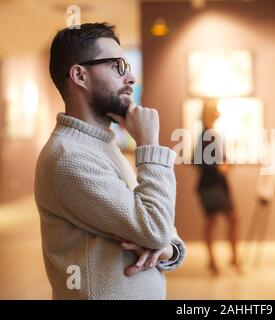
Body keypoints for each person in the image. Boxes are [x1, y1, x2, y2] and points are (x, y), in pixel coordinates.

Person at [34, 22, 185, 299]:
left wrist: (169, 248)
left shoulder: (99, 144)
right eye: (118, 66)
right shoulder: (69, 157)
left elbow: (159, 227)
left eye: (127, 66)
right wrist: (149, 145)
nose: (130, 78)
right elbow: (154, 227)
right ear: (80, 75)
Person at [194, 100, 241, 276]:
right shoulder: (205, 135)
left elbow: (223, 159)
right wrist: (217, 166)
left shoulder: (214, 134)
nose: (217, 112)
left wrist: (226, 164)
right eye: (214, 109)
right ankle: (214, 262)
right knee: (213, 222)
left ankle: (233, 258)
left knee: (232, 219)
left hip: (220, 185)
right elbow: (196, 160)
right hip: (210, 186)